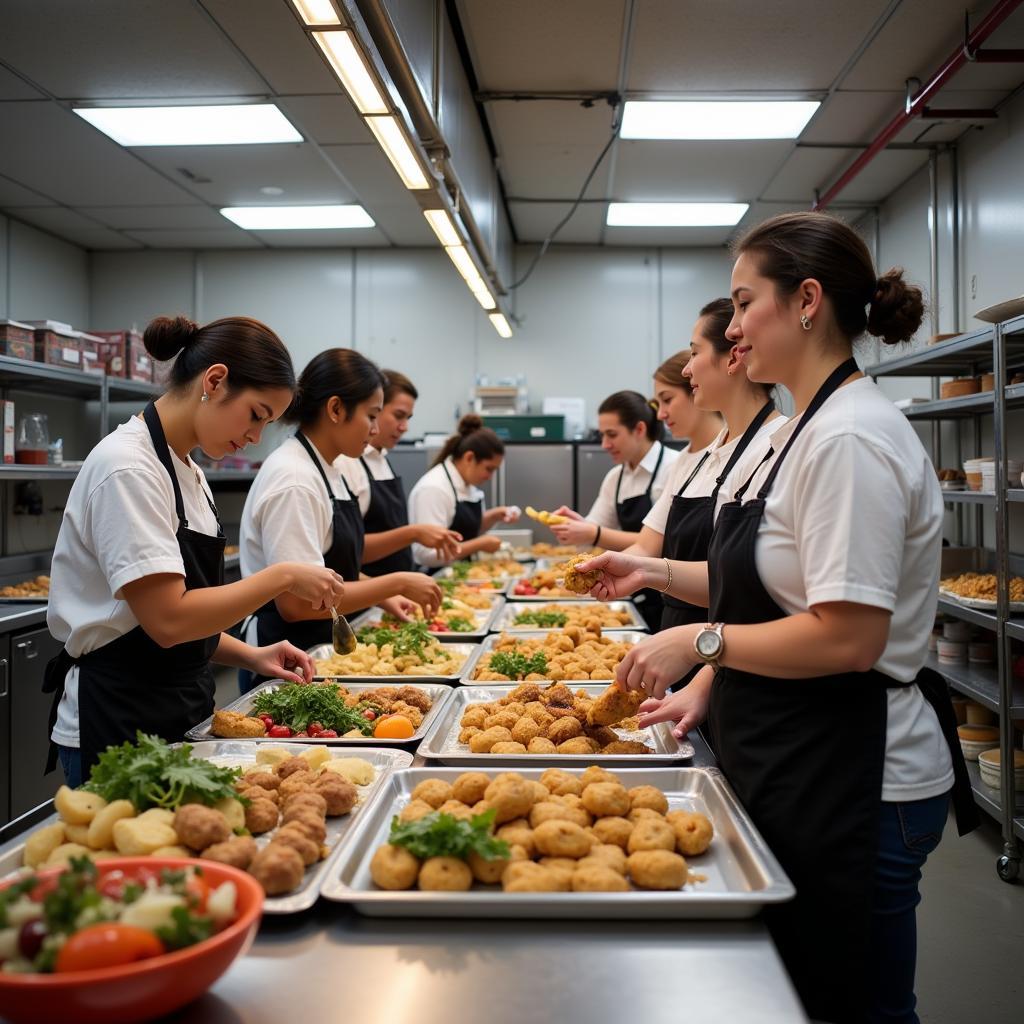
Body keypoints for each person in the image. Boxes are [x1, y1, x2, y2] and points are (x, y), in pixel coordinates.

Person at [577, 212, 976, 1024]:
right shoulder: (806, 429)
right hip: (800, 749)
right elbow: (766, 584)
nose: (729, 329)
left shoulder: (851, 440)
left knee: (854, 1001)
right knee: (806, 985)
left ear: (806, 301)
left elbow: (848, 636)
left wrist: (699, 642)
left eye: (742, 301)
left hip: (862, 773)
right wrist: (651, 570)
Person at [45, 316, 344, 786]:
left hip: (179, 706)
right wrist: (284, 575)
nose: (255, 437)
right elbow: (167, 621)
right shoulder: (129, 467)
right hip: (118, 719)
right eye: (256, 414)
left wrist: (251, 655)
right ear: (215, 380)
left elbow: (170, 618)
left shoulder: (190, 472)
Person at [240, 349, 442, 686]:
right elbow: (296, 603)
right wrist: (395, 583)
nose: (375, 429)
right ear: (335, 409)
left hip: (319, 651)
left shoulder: (329, 470)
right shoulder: (295, 479)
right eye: (372, 415)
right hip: (285, 659)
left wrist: (383, 594)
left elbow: (330, 570)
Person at [626, 302, 782, 640]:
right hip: (679, 643)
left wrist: (642, 570)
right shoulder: (697, 458)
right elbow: (647, 545)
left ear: (734, 356)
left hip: (723, 648)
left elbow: (751, 587)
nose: (686, 370)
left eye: (695, 353)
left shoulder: (777, 447)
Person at [549, 390, 678, 627]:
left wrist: (594, 532)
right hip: (629, 593)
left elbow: (659, 543)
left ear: (639, 430)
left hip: (670, 594)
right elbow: (595, 529)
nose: (604, 444)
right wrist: (577, 526)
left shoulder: (674, 468)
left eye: (612, 435)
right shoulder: (615, 477)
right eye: (602, 435)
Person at [337, 369, 460, 575]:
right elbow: (347, 549)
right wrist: (413, 533)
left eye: (408, 418)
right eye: (398, 416)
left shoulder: (382, 460)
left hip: (394, 595)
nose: (404, 427)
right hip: (368, 598)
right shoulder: (347, 463)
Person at [407, 414, 519, 569]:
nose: (490, 477)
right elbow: (429, 555)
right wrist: (480, 544)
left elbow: (465, 530)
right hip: (435, 577)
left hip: (461, 573)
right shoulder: (434, 489)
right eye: (489, 469)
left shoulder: (468, 483)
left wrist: (494, 516)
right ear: (469, 458)